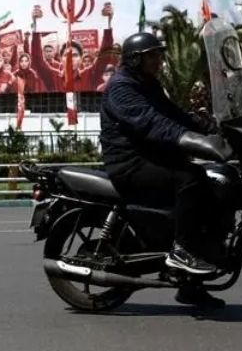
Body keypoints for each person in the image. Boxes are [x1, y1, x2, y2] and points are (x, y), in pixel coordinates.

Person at [99, 31, 233, 309]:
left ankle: (190, 285)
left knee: (215, 186)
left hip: (151, 158)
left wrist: (213, 129)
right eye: (152, 56)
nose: (159, 61)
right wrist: (191, 140)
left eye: (159, 55)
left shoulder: (148, 84)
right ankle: (182, 250)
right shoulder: (121, 87)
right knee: (190, 177)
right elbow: (151, 123)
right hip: (129, 163)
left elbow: (175, 115)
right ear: (135, 59)